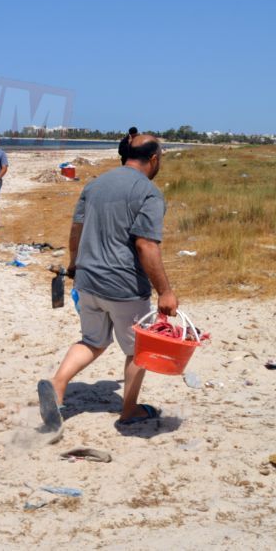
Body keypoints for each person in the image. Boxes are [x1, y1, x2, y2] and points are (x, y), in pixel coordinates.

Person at [37, 134, 178, 436]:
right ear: (154, 159)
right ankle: (129, 411)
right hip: (124, 286)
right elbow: (146, 245)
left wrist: (74, 266)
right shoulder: (148, 193)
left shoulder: (95, 185)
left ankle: (57, 384)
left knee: (92, 341)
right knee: (139, 350)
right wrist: (165, 291)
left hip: (88, 280)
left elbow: (76, 229)